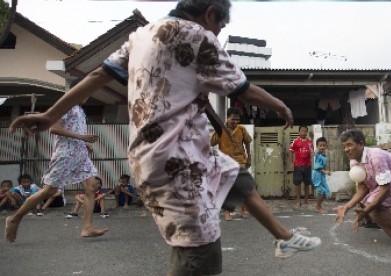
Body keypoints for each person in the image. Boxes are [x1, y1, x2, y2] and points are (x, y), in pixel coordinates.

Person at [9, 0, 321, 273]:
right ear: (210, 13)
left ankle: (285, 238)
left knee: (239, 180)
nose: (219, 34)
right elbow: (244, 89)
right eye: (221, 25)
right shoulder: (199, 37)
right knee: (198, 259)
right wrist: (282, 106)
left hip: (180, 153)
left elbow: (97, 75)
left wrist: (50, 115)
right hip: (177, 163)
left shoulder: (141, 35)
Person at [5, 96, 107, 242]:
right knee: (49, 190)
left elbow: (73, 129)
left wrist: (83, 143)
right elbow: (54, 128)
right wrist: (82, 137)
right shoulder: (66, 106)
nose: (87, 96)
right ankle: (15, 219)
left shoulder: (79, 110)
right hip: (65, 155)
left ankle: (87, 227)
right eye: (85, 93)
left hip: (80, 155)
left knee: (92, 186)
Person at [334, 129, 391, 251]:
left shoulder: (375, 156)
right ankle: (373, 221)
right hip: (383, 183)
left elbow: (386, 190)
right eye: (344, 146)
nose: (346, 149)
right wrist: (346, 207)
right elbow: (363, 188)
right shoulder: (354, 161)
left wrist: (368, 209)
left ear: (361, 143)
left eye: (349, 145)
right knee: (365, 201)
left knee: (375, 205)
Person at [210, 107, 252, 221]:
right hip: (225, 163)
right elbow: (211, 143)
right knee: (227, 188)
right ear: (227, 118)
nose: (235, 122)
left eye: (237, 120)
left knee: (242, 187)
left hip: (240, 161)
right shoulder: (220, 130)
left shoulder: (242, 129)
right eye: (233, 119)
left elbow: (248, 142)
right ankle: (227, 212)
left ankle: (242, 211)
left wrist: (249, 158)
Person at [289, 125, 314, 208]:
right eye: (302, 131)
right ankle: (298, 200)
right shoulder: (295, 141)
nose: (303, 133)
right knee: (297, 183)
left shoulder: (310, 142)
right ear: (299, 132)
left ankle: (306, 200)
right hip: (298, 165)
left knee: (307, 183)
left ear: (307, 132)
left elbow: (312, 153)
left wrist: (312, 160)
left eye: (305, 131)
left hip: (307, 165)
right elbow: (291, 152)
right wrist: (291, 163)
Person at [312, 137, 331, 214]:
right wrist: (325, 172)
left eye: (324, 145)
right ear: (317, 146)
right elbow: (317, 167)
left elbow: (323, 166)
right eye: (320, 145)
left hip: (321, 175)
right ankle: (318, 207)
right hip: (317, 175)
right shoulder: (317, 154)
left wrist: (325, 172)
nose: (322, 147)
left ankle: (319, 205)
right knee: (320, 191)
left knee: (325, 191)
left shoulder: (323, 155)